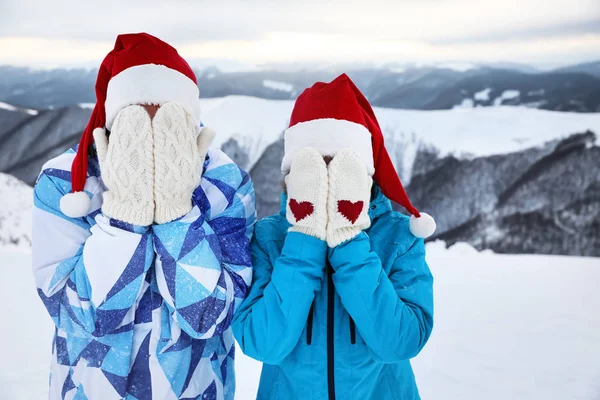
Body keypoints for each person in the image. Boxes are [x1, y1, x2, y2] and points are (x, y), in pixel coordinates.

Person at [32, 33, 256, 400]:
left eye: (166, 120)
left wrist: (175, 211)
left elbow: (211, 316)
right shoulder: (65, 185)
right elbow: (80, 318)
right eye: (138, 117)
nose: (153, 135)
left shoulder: (225, 183)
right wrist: (125, 213)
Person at [233, 73, 435, 399]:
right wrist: (305, 239)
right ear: (292, 174)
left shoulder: (399, 238)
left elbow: (401, 343)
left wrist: (349, 241)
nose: (327, 181)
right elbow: (262, 344)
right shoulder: (270, 239)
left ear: (364, 173)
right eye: (316, 167)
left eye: (341, 168)